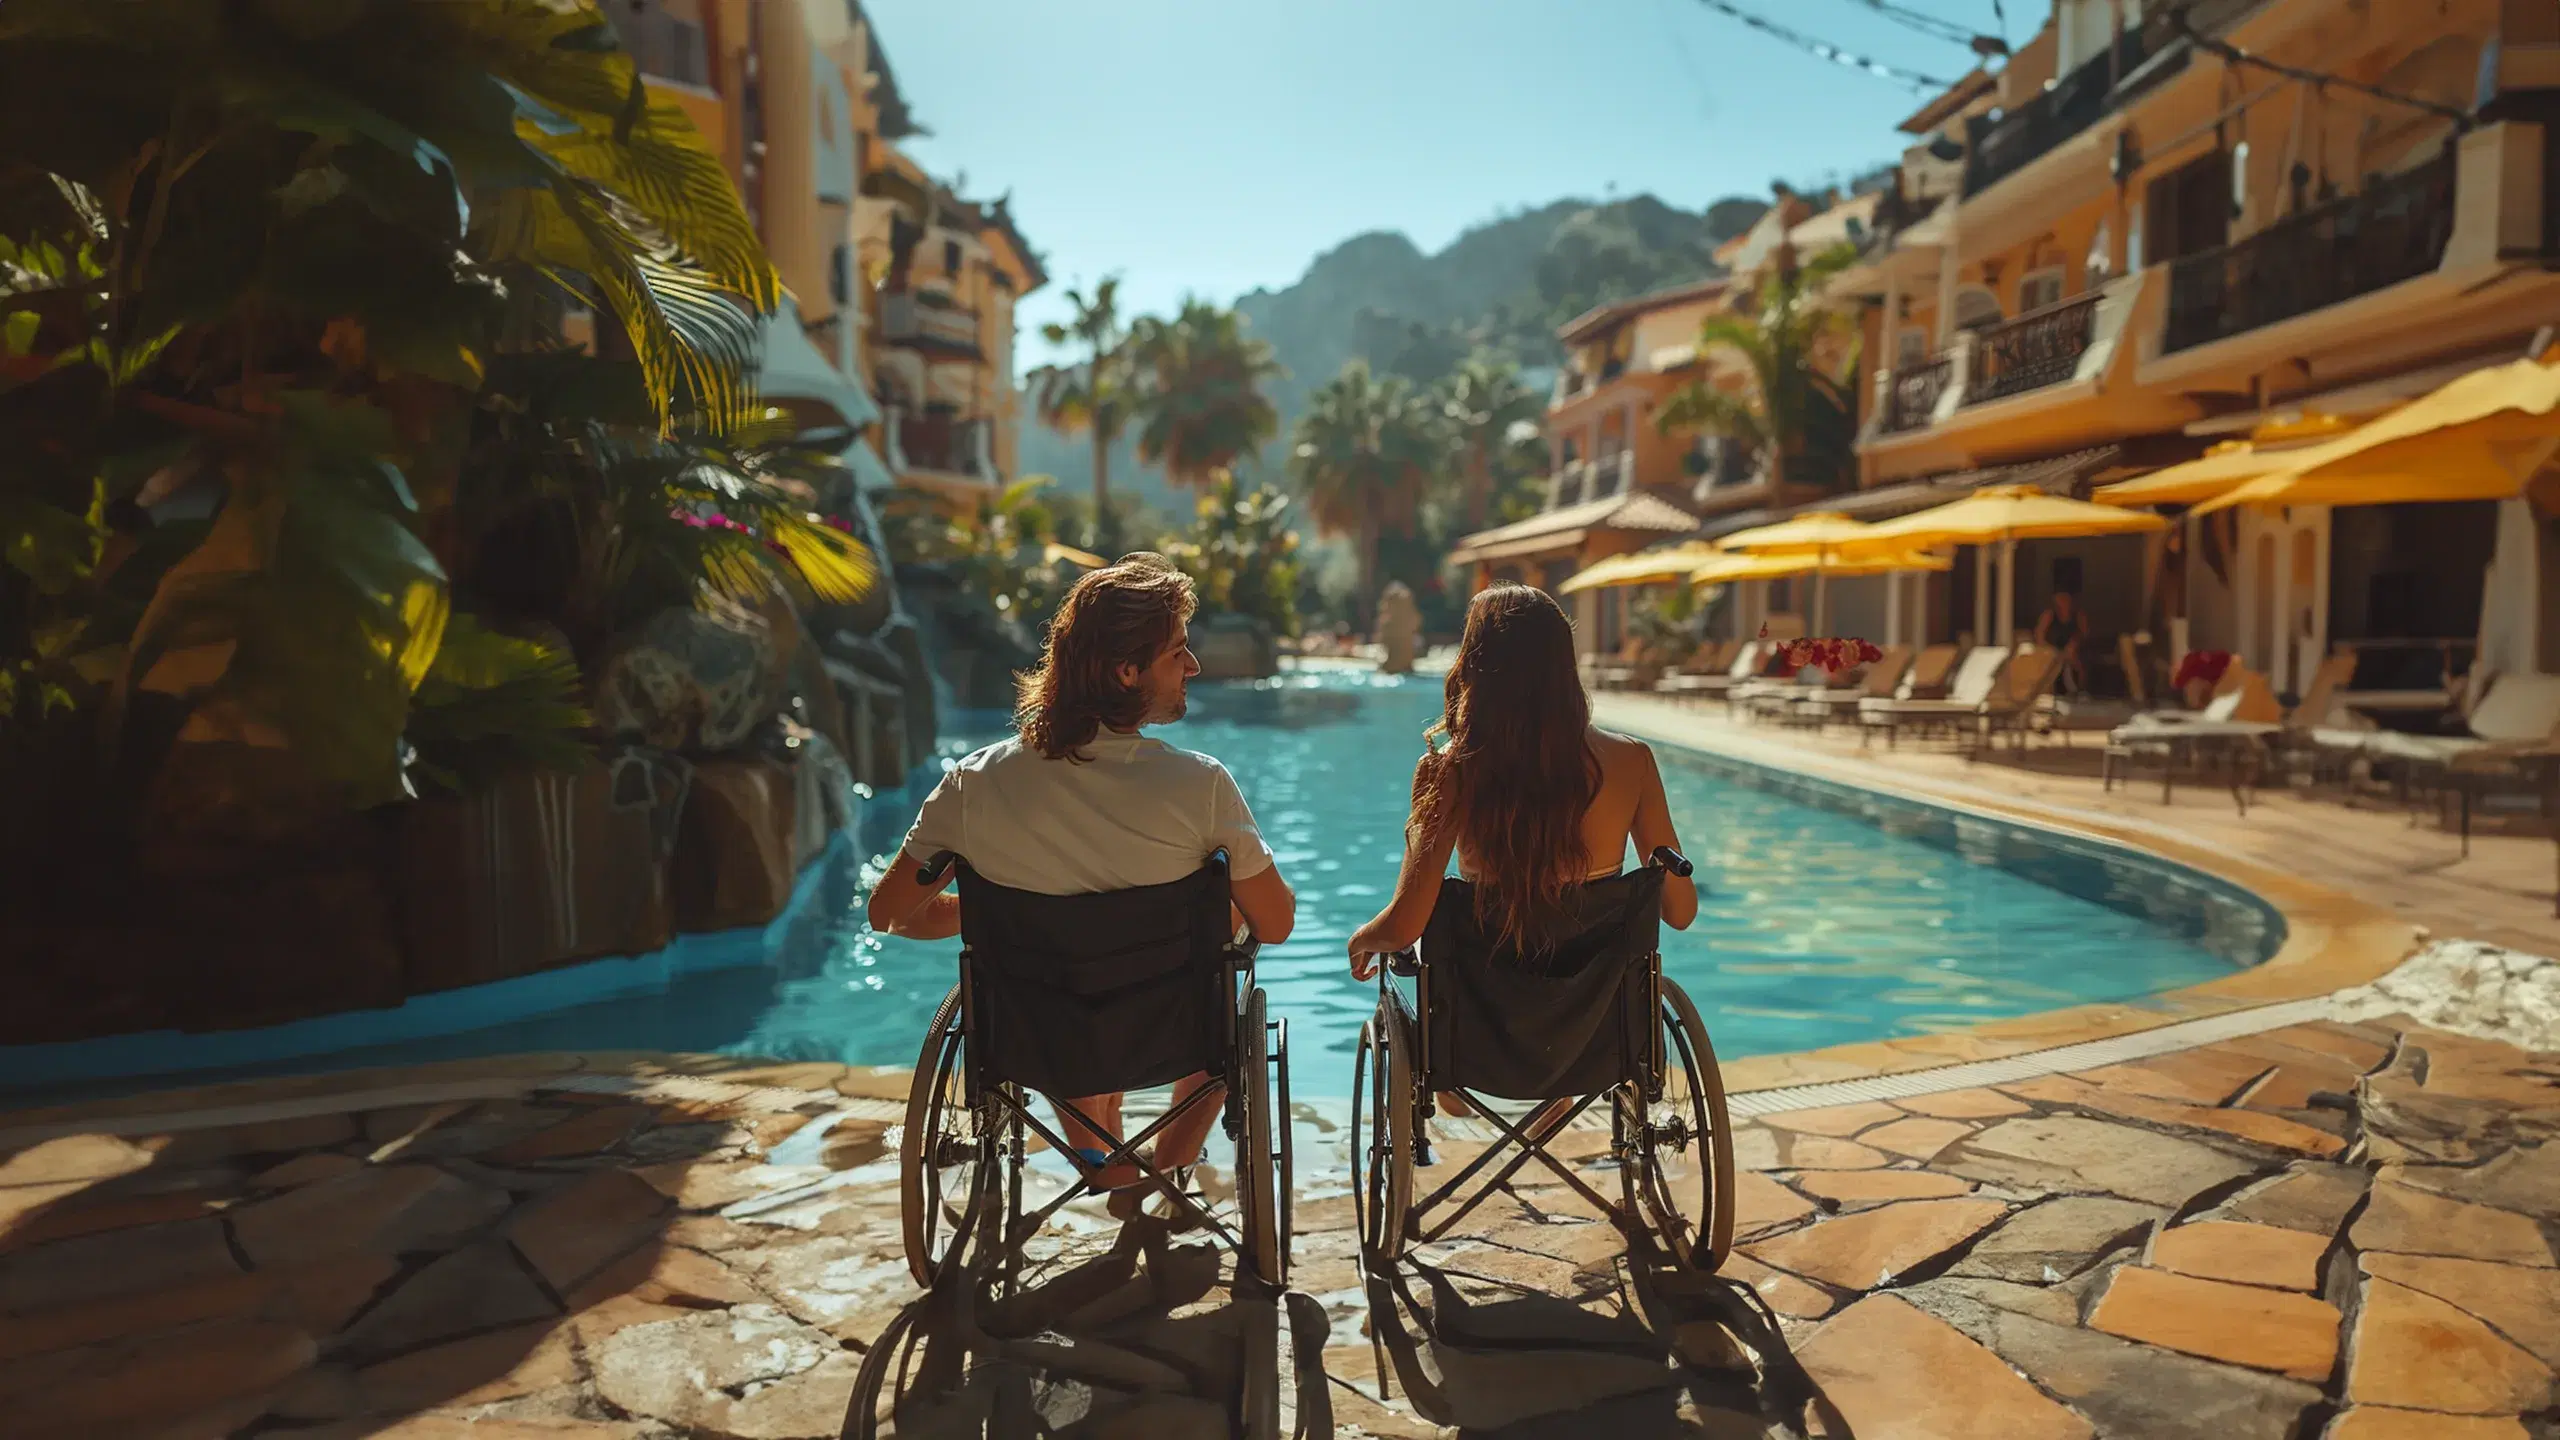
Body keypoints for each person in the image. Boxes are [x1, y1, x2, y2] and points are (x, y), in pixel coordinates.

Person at [866, 554, 1297, 1215]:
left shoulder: (975, 783)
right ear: (1127, 672)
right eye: (1178, 653)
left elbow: (892, 912)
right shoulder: (1201, 787)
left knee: (1057, 985)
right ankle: (1163, 1170)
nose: (1194, 668)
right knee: (1225, 973)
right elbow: (1275, 924)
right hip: (1169, 1029)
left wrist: (989, 909)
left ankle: (1102, 1158)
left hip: (1040, 1033)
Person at [1345, 583, 1698, 1117]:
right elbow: (1680, 912)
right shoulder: (1632, 763)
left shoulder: (1450, 773)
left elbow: (1405, 925)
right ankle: (1555, 1088)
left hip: (1480, 1046)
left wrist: (1365, 936)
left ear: (1475, 667)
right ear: (1565, 666)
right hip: (1593, 1038)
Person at [2034, 589, 2090, 696]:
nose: (2063, 602)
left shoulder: (2078, 615)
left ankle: (2081, 690)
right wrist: (2051, 651)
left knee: (2074, 658)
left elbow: (2083, 634)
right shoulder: (2049, 615)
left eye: (2065, 599)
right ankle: (2048, 693)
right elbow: (2039, 636)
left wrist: (2073, 644)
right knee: (2050, 661)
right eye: (2060, 599)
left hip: (2072, 651)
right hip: (2052, 650)